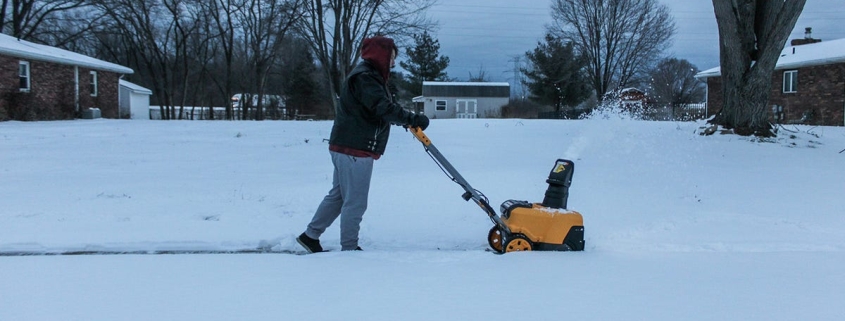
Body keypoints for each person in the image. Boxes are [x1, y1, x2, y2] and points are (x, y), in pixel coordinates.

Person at [297, 36, 429, 253]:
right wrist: (412, 119)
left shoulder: (368, 76)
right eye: (391, 58)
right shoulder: (366, 78)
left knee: (339, 196)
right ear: (381, 56)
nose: (393, 63)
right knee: (355, 201)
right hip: (354, 148)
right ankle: (349, 249)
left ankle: (310, 236)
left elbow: (378, 109)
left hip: (346, 145)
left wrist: (402, 119)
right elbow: (382, 107)